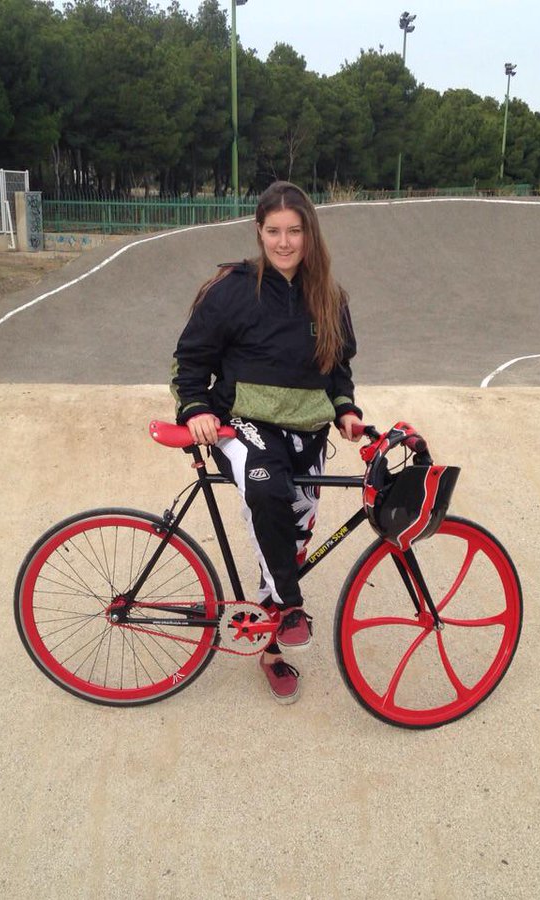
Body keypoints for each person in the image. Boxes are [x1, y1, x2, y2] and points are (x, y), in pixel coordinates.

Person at [170, 181, 363, 705]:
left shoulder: (330, 298)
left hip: (307, 434)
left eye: (294, 231)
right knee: (266, 488)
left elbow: (338, 369)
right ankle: (291, 610)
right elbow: (190, 360)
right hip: (242, 424)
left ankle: (269, 642)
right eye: (273, 231)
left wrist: (345, 409)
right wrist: (197, 408)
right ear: (259, 232)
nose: (284, 242)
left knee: (287, 542)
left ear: (309, 234)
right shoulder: (231, 290)